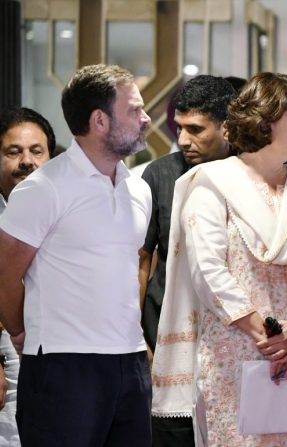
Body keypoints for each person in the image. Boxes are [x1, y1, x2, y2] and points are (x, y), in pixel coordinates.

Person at [151, 72, 287, 446]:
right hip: (236, 352)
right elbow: (209, 271)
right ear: (266, 120)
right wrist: (269, 337)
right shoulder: (212, 183)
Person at [0, 64, 153, 446]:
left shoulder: (138, 189)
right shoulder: (43, 188)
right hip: (63, 361)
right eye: (134, 110)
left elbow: (131, 266)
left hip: (130, 359)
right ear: (100, 120)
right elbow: (5, 275)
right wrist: (21, 332)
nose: (146, 119)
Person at [140, 74, 237, 446]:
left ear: (227, 126)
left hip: (234, 339)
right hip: (167, 336)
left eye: (195, 129)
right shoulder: (160, 174)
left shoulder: (251, 175)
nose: (182, 140)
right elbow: (141, 261)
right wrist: (139, 338)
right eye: (179, 128)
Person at [0, 106, 56, 447]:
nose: (26, 161)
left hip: (59, 357)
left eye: (37, 151)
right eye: (13, 152)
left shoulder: (66, 213)